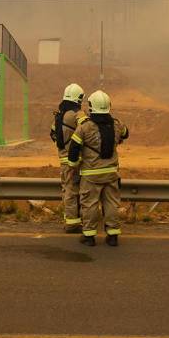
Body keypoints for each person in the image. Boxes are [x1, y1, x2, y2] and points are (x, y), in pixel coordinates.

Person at [67, 90, 128, 247]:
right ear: (108, 106)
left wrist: (73, 166)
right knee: (112, 205)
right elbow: (126, 133)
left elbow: (73, 149)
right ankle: (113, 236)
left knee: (90, 205)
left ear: (91, 107)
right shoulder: (117, 124)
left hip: (90, 175)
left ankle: (89, 236)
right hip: (111, 173)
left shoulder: (84, 127)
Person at [50, 83, 87, 233]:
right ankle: (73, 224)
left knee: (68, 190)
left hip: (63, 159)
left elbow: (53, 134)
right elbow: (88, 130)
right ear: (78, 99)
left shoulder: (59, 115)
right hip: (75, 160)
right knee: (75, 191)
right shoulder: (76, 114)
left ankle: (71, 220)